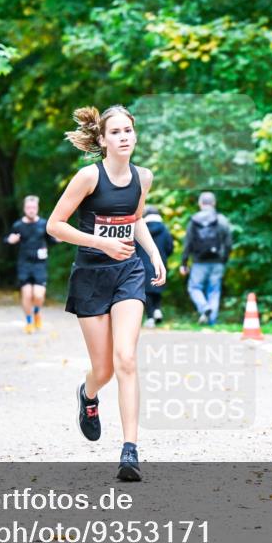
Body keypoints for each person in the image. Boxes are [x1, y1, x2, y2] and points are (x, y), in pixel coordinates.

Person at [47, 105, 165, 482]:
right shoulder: (88, 177)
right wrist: (100, 242)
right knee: (105, 369)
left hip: (129, 273)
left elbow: (135, 220)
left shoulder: (142, 177)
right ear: (102, 140)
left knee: (127, 358)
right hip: (91, 275)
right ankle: (88, 394)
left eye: (128, 130)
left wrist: (153, 252)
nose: (124, 137)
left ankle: (130, 449)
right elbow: (55, 226)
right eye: (115, 132)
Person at [179, 191, 233, 325]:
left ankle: (204, 308)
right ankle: (212, 322)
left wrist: (184, 263)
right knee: (214, 290)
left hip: (199, 262)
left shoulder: (194, 220)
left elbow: (188, 243)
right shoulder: (222, 220)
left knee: (194, 287)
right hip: (217, 261)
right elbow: (228, 243)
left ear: (200, 203)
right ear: (214, 203)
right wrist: (224, 259)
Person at [6, 195, 57, 333]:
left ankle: (37, 312)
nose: (31, 210)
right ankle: (29, 321)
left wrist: (58, 239)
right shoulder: (18, 225)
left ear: (37, 208)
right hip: (24, 264)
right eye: (28, 207)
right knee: (27, 294)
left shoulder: (43, 224)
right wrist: (10, 240)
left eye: (33, 207)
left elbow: (51, 240)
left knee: (38, 295)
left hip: (40, 264)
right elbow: (9, 238)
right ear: (24, 208)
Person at [136, 205, 174, 328]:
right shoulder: (164, 229)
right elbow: (170, 247)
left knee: (146, 290)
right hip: (159, 262)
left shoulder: (140, 229)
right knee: (158, 286)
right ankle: (157, 309)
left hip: (143, 262)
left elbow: (134, 246)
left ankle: (150, 317)